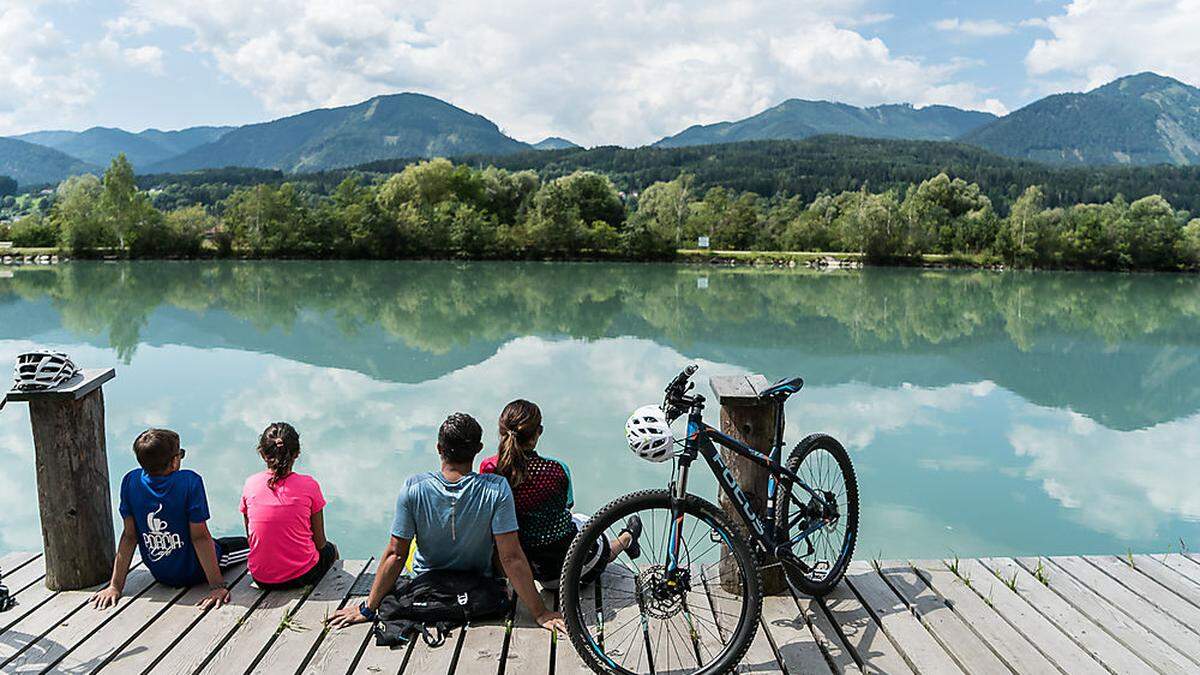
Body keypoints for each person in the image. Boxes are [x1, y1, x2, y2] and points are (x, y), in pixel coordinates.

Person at [327, 412, 565, 632]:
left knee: (409, 550)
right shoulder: (496, 488)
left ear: (439, 448)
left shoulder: (413, 488)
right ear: (479, 449)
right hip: (476, 582)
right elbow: (511, 557)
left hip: (426, 581)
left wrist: (368, 608)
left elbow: (395, 555)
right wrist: (540, 612)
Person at [480, 400, 641, 588]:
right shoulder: (557, 469)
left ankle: (625, 539)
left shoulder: (489, 469)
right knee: (586, 525)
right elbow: (566, 506)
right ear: (537, 433)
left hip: (526, 573)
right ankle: (627, 538)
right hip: (573, 571)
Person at [93, 429, 248, 611]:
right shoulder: (189, 481)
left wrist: (115, 586)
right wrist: (217, 586)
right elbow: (199, 537)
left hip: (161, 573)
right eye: (180, 454)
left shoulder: (130, 481)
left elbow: (129, 536)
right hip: (195, 571)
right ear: (174, 462)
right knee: (251, 545)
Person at [240, 422, 338, 589]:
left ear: (263, 454)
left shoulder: (250, 484)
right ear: (297, 453)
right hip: (301, 575)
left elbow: (251, 537)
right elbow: (320, 542)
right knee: (330, 549)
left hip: (260, 577)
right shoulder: (309, 485)